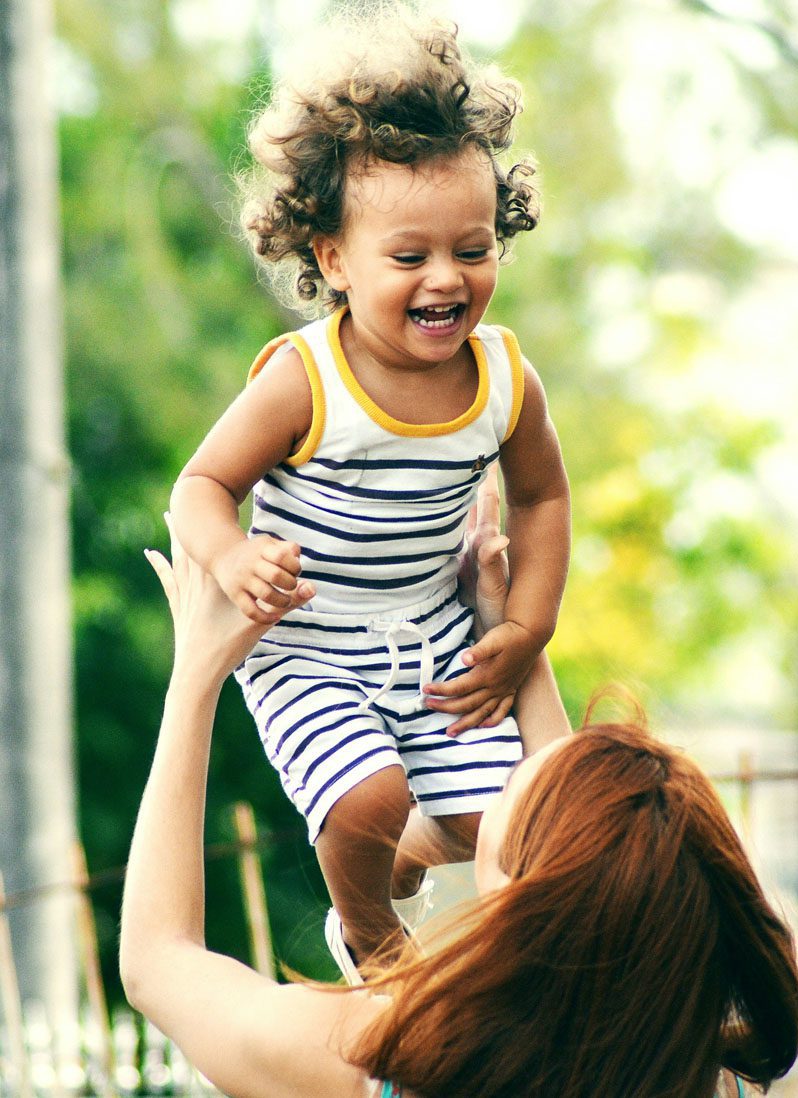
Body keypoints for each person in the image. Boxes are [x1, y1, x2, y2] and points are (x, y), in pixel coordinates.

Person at [122, 510, 798, 1098]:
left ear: (517, 896)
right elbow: (583, 858)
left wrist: (195, 677)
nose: (511, 769)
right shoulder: (708, 1074)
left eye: (513, 788)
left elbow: (158, 963)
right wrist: (507, 633)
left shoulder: (383, 1061)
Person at [168, 10, 570, 978]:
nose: (447, 278)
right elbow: (199, 485)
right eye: (409, 257)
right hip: (309, 641)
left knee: (501, 823)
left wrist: (525, 628)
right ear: (334, 258)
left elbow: (545, 500)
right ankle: (374, 944)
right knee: (364, 801)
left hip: (431, 634)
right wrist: (232, 557)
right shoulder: (306, 381)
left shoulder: (505, 379)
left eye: (472, 248)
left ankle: (407, 852)